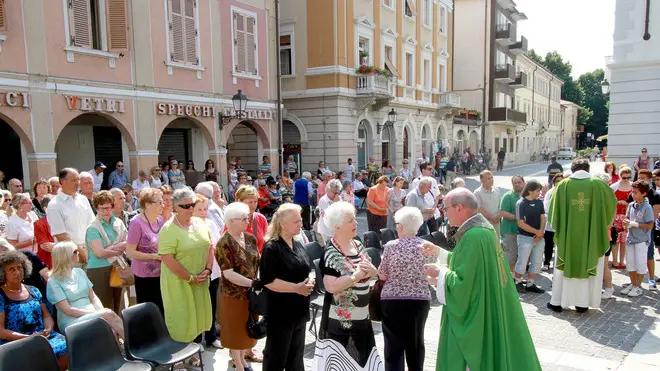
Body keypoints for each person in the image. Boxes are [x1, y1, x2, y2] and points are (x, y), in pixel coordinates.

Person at [423, 188, 541, 370]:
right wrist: (439, 252)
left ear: (459, 207)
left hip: (478, 316)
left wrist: (440, 275)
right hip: (490, 303)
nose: (444, 213)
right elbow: (472, 265)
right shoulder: (483, 230)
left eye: (445, 208)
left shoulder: (474, 236)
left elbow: (466, 285)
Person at [313, 201, 382, 371]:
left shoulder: (357, 245)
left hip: (362, 318)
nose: (356, 223)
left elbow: (370, 272)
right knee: (342, 364)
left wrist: (373, 271)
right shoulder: (330, 252)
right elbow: (331, 287)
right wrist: (356, 276)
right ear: (337, 226)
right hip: (341, 322)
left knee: (363, 361)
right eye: (351, 220)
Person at [547, 159, 617, 313]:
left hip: (567, 237)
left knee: (562, 267)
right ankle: (582, 304)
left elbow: (553, 212)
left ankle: (557, 302)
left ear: (572, 169)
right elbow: (612, 203)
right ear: (588, 168)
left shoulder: (563, 185)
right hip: (590, 237)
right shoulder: (598, 185)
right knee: (588, 264)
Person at [158, 188, 212, 369]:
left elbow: (209, 246)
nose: (191, 208)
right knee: (180, 319)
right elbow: (168, 259)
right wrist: (189, 277)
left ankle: (191, 353)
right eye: (186, 205)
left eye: (193, 204)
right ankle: (178, 360)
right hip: (178, 282)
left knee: (196, 319)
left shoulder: (200, 222)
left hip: (200, 279)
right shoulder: (168, 229)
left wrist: (208, 269)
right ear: (175, 207)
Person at [378, 207, 435, 371]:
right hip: (419, 300)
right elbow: (433, 272)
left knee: (393, 346)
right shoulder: (427, 246)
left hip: (392, 301)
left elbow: (382, 275)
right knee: (416, 343)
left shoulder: (391, 246)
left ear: (401, 226)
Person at [259, 204, 314, 371]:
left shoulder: (297, 244)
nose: (301, 224)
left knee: (296, 356)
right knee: (276, 355)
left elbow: (308, 268)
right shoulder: (272, 247)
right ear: (283, 224)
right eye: (296, 221)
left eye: (300, 220)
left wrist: (310, 280)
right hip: (281, 312)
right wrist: (296, 288)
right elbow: (268, 281)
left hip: (299, 309)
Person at [0, 250, 68, 371]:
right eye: (11, 269)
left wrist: (48, 329)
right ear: (3, 273)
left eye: (19, 268)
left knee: (66, 345)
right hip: (16, 341)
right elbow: (1, 331)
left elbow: (46, 315)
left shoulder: (34, 290)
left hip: (41, 336)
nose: (17, 272)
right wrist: (27, 337)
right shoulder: (1, 295)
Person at [216, 202, 260, 371]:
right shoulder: (223, 243)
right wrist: (252, 283)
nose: (247, 221)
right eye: (243, 218)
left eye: (247, 218)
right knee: (235, 331)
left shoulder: (250, 238)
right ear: (231, 220)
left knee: (247, 329)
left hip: (251, 293)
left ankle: (242, 358)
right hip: (233, 295)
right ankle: (239, 365)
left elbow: (257, 261)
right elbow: (228, 273)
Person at [46, 241, 125, 336]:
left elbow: (93, 297)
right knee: (109, 315)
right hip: (72, 321)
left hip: (92, 314)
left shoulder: (80, 272)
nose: (79, 252)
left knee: (111, 327)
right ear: (66, 256)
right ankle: (133, 345)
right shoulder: (53, 281)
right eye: (75, 251)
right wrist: (98, 313)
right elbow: (68, 310)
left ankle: (124, 348)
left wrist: (101, 311)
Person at [85, 191, 127, 314]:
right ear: (96, 208)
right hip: (99, 269)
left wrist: (112, 249)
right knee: (104, 307)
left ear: (112, 206)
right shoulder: (93, 227)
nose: (104, 212)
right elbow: (99, 253)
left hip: (117, 266)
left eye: (107, 208)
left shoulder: (118, 222)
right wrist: (118, 247)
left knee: (119, 305)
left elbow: (127, 243)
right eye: (101, 209)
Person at [126, 188, 164, 314]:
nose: (162, 205)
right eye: (159, 202)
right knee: (148, 312)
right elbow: (130, 252)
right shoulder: (136, 223)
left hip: (161, 273)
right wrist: (154, 256)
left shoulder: (160, 220)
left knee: (161, 309)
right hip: (144, 276)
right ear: (147, 205)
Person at [191, 195, 222, 349]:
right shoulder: (190, 226)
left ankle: (211, 336)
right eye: (199, 209)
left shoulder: (210, 223)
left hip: (213, 270)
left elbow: (218, 242)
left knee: (212, 304)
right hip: (198, 270)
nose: (203, 212)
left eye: (205, 209)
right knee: (198, 305)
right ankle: (196, 339)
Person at [620, 180, 654, 297]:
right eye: (632, 192)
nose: (633, 194)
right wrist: (625, 223)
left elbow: (650, 225)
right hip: (630, 238)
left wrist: (635, 224)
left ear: (644, 193)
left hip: (641, 240)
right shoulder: (631, 205)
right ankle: (633, 284)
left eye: (635, 192)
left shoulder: (647, 207)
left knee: (640, 263)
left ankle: (638, 286)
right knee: (630, 263)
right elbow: (628, 218)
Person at [513, 180, 546, 294]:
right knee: (522, 261)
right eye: (537, 191)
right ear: (530, 190)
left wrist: (540, 232)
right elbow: (520, 223)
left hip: (539, 237)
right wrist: (537, 232)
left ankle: (530, 283)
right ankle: (517, 281)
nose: (539, 193)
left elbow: (543, 218)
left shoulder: (539, 202)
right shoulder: (521, 203)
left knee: (537, 261)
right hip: (525, 237)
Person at [500, 175, 525, 271]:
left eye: (519, 182)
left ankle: (516, 278)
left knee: (520, 257)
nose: (517, 184)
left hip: (523, 232)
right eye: (515, 183)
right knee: (511, 256)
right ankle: (508, 279)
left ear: (524, 183)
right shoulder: (508, 196)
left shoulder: (526, 196)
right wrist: (518, 218)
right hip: (510, 231)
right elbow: (503, 213)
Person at [610, 166, 634, 269]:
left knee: (624, 241)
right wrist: (617, 202)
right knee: (616, 240)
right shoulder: (614, 186)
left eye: (628, 177)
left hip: (628, 215)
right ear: (620, 176)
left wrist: (627, 204)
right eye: (624, 177)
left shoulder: (633, 186)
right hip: (616, 216)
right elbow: (609, 201)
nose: (626, 180)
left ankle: (622, 261)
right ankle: (615, 261)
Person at [235, 185, 269, 254]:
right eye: (250, 202)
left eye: (255, 202)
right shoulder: (233, 220)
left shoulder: (261, 218)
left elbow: (267, 242)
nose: (253, 205)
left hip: (259, 262)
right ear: (239, 201)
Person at [542, 173, 564, 271]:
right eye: (557, 181)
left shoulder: (566, 191)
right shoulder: (550, 192)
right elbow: (546, 206)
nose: (559, 183)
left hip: (562, 224)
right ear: (554, 182)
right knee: (549, 244)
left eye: (561, 181)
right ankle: (546, 262)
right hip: (550, 223)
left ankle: (559, 262)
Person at [411, 163, 442, 233]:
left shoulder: (433, 180)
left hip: (433, 213)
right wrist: (425, 210)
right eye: (429, 169)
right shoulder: (416, 181)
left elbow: (437, 195)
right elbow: (414, 197)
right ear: (423, 170)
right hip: (422, 213)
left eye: (431, 169)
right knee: (423, 234)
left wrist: (434, 208)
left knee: (434, 233)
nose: (431, 171)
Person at [34, 196, 55, 269]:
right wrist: (65, 246)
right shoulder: (39, 223)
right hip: (48, 262)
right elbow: (45, 246)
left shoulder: (64, 220)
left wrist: (55, 245)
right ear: (45, 209)